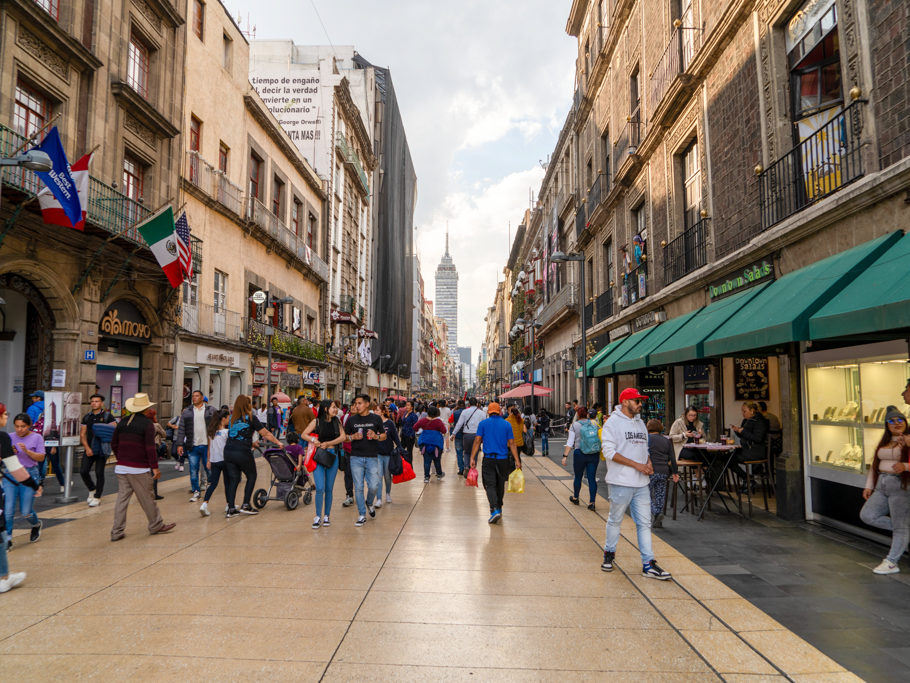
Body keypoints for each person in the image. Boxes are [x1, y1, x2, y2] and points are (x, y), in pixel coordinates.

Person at [600, 388, 671, 580]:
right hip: (620, 481)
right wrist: (637, 466)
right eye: (636, 401)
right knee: (615, 519)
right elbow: (609, 453)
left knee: (644, 523)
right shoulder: (612, 423)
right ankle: (609, 553)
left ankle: (648, 563)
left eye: (640, 401)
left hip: (641, 483)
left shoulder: (641, 423)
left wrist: (647, 462)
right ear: (625, 402)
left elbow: (643, 448)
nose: (640, 404)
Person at [109, 394, 176, 541]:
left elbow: (114, 443)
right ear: (145, 409)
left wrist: (121, 458)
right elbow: (150, 447)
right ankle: (156, 525)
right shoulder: (147, 424)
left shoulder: (123, 422)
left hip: (122, 468)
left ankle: (116, 531)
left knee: (121, 500)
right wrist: (155, 468)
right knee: (147, 498)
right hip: (139, 468)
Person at [860, 406, 910, 574]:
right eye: (891, 421)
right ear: (886, 425)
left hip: (900, 486)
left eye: (900, 420)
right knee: (868, 515)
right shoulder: (884, 442)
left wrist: (905, 465)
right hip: (882, 483)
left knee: (900, 526)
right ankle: (904, 529)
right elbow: (874, 466)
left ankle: (892, 561)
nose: (896, 423)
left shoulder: (909, 440)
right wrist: (869, 486)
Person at [224, 394, 282, 517]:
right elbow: (265, 433)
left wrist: (251, 442)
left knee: (233, 479)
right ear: (247, 405)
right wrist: (278, 442)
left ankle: (231, 508)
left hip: (228, 451)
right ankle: (246, 504)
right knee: (251, 475)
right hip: (242, 452)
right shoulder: (251, 417)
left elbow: (235, 435)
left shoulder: (231, 419)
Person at [0, 402, 36, 590]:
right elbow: (14, 468)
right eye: (5, 414)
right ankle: (4, 578)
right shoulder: (3, 437)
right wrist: (33, 484)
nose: (6, 417)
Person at [469, 402, 520, 524]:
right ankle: (499, 507)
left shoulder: (483, 424)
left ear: (488, 412)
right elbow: (512, 443)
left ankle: (494, 509)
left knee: (489, 485)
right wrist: (517, 460)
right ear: (499, 411)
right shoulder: (506, 424)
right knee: (500, 484)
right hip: (503, 460)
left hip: (489, 459)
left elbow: (477, 441)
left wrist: (472, 457)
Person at [300, 400, 346, 529]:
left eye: (336, 407)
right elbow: (304, 434)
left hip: (333, 456)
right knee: (320, 488)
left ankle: (326, 515)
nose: (335, 409)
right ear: (325, 409)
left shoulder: (337, 421)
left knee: (329, 488)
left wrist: (329, 443)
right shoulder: (317, 421)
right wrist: (314, 440)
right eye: (333, 407)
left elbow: (343, 437)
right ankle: (317, 516)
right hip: (319, 456)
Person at [2, 413, 45, 546]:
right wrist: (10, 452)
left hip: (29, 473)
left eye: (23, 426)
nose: (19, 429)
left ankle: (36, 524)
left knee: (26, 511)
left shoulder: (37, 437)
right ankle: (7, 539)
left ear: (29, 426)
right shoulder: (8, 437)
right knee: (8, 510)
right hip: (10, 474)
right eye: (17, 426)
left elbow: (41, 458)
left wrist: (27, 451)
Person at [345, 394, 387, 526]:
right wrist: (352, 437)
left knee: (374, 485)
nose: (356, 406)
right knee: (358, 487)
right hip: (355, 457)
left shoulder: (376, 419)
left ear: (367, 404)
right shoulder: (351, 420)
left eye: (359, 403)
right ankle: (362, 514)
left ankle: (369, 502)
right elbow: (344, 437)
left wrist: (376, 436)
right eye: (356, 403)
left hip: (372, 457)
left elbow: (384, 436)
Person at [176, 390, 216, 502]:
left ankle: (210, 487)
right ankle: (196, 491)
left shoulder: (210, 410)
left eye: (197, 396)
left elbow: (216, 425)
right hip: (192, 445)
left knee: (208, 469)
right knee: (193, 470)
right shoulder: (187, 412)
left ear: (202, 397)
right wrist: (179, 444)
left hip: (206, 444)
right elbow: (181, 428)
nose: (194, 398)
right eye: (193, 396)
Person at [79, 394, 116, 508]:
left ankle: (97, 497)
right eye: (92, 401)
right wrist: (87, 448)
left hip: (102, 449)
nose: (94, 403)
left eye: (96, 401)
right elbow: (82, 434)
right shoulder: (86, 417)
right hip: (89, 449)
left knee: (99, 473)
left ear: (101, 403)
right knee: (83, 471)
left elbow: (114, 431)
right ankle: (92, 488)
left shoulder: (107, 416)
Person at [562, 407, 600, 511]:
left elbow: (570, 442)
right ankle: (592, 502)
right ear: (587, 414)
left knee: (578, 477)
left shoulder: (574, 425)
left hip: (580, 453)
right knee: (592, 478)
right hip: (593, 453)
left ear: (578, 415)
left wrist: (565, 456)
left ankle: (576, 497)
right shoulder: (594, 424)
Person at [647, 419, 678, 528]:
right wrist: (675, 472)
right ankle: (657, 521)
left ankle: (656, 513)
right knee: (660, 495)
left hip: (650, 471)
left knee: (645, 495)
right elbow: (673, 458)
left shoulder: (647, 439)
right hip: (664, 471)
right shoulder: (667, 440)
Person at [731, 402, 769, 485]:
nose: (742, 413)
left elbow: (758, 438)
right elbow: (744, 436)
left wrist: (743, 431)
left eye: (744, 411)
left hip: (755, 452)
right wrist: (738, 431)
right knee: (726, 458)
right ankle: (748, 479)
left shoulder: (760, 421)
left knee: (729, 459)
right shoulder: (747, 420)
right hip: (747, 449)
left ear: (752, 411)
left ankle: (747, 479)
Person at [200, 410, 229, 517]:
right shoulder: (226, 432)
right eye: (227, 417)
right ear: (223, 418)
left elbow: (209, 448)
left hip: (214, 461)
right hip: (225, 461)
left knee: (213, 484)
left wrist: (208, 460)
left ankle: (204, 504)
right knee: (228, 483)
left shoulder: (211, 432)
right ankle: (229, 504)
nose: (228, 419)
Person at [376, 405, 402, 506]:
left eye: (377, 410)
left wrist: (400, 447)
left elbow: (395, 437)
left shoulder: (390, 423)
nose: (375, 412)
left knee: (387, 476)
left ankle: (387, 493)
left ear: (382, 412)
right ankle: (378, 499)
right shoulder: (374, 423)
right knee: (378, 476)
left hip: (388, 454)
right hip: (377, 454)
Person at [453, 398, 485, 474]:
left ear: (469, 404)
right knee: (475, 452)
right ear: (477, 404)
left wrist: (454, 433)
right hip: (477, 436)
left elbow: (459, 424)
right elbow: (484, 425)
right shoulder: (482, 413)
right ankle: (472, 468)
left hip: (467, 435)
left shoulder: (465, 412)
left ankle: (466, 466)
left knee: (467, 452)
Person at [415, 406, 447, 483]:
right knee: (437, 460)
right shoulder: (438, 422)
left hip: (425, 443)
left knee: (426, 461)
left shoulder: (423, 420)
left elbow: (415, 427)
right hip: (437, 443)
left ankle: (426, 477)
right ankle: (439, 474)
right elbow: (444, 430)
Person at [148, 409, 167, 500]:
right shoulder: (156, 425)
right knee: (154, 471)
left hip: (142, 450)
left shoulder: (142, 425)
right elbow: (164, 434)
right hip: (153, 448)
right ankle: (154, 493)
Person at [451, 400, 465, 475]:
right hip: (466, 434)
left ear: (458, 405)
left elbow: (451, 420)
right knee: (467, 452)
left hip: (458, 435)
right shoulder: (467, 412)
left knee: (459, 453)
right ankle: (466, 466)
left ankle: (461, 469)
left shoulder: (455, 413)